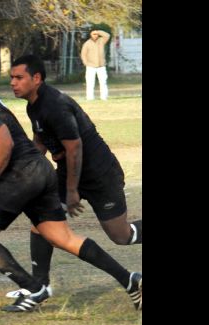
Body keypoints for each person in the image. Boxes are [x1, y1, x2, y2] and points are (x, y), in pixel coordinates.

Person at [0, 55, 141, 313]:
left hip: (49, 175)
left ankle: (35, 288)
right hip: (40, 170)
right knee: (59, 236)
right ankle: (129, 280)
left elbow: (5, 142)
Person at [8, 54, 142, 302]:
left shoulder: (55, 105)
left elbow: (75, 148)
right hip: (68, 172)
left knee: (121, 235)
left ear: (36, 78)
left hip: (100, 174)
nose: (13, 83)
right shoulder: (33, 106)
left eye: (19, 77)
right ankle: (40, 286)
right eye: (11, 78)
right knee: (42, 222)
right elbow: (41, 142)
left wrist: (71, 191)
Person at [80, 29, 110, 100]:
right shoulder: (87, 43)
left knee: (103, 82)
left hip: (101, 66)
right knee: (90, 83)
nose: (95, 35)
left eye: (96, 34)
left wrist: (98, 32)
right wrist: (86, 63)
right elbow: (83, 54)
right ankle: (90, 97)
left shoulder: (101, 41)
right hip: (91, 66)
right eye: (93, 34)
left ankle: (104, 97)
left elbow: (107, 35)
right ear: (90, 35)